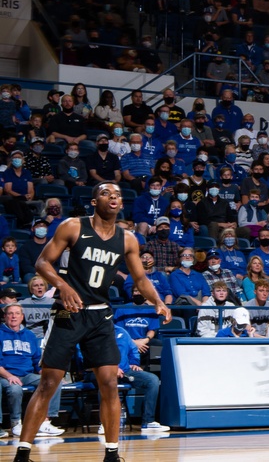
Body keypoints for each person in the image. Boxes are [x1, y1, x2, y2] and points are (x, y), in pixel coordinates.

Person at [11, 181, 170, 462]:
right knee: (49, 383)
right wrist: (63, 286)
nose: (114, 197)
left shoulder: (128, 239)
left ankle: (111, 453)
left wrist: (157, 301)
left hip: (100, 315)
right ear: (94, 201)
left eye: (118, 195)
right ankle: (22, 453)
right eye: (106, 193)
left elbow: (141, 279)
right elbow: (42, 263)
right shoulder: (73, 226)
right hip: (66, 311)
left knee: (109, 382)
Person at [0, 304, 65, 438]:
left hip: (27, 374)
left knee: (54, 382)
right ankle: (16, 423)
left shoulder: (29, 335)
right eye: (10, 314)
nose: (13, 316)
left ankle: (44, 421)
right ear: (5, 316)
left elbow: (36, 360)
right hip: (5, 374)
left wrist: (44, 373)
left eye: (17, 313)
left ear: (22, 316)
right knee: (15, 389)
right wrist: (9, 376)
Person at [93, 326, 169, 434]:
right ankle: (105, 423)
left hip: (125, 370)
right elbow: (88, 354)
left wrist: (134, 362)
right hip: (101, 370)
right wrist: (111, 368)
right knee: (106, 382)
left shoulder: (121, 332)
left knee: (152, 380)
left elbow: (133, 348)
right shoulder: (92, 333)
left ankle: (148, 421)